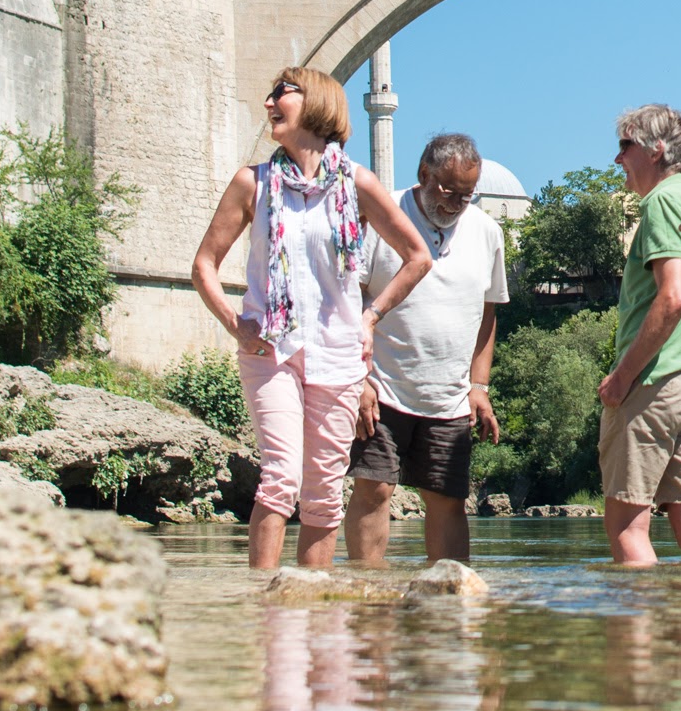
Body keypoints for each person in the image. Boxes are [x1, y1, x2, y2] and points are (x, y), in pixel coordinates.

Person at [190, 68, 432, 569]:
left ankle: (313, 609)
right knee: (280, 476)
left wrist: (370, 318)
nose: (269, 102)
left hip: (338, 355)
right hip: (271, 351)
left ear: (316, 102)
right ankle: (265, 607)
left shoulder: (357, 183)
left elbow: (417, 256)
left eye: (282, 93)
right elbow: (204, 266)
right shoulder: (251, 183)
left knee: (323, 491)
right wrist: (236, 324)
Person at [344, 133, 507, 566]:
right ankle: (369, 595)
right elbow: (350, 299)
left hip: (450, 397)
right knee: (373, 489)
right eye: (448, 191)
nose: (456, 203)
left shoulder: (488, 231)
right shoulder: (383, 213)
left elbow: (488, 313)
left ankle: (449, 609)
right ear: (423, 174)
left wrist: (479, 385)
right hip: (382, 387)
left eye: (467, 196)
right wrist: (358, 380)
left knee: (448, 498)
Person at [598, 104, 681, 566]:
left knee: (625, 527)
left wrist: (622, 378)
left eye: (625, 145)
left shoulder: (661, 202)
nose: (618, 159)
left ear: (656, 150)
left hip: (655, 384)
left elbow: (673, 297)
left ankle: (635, 640)